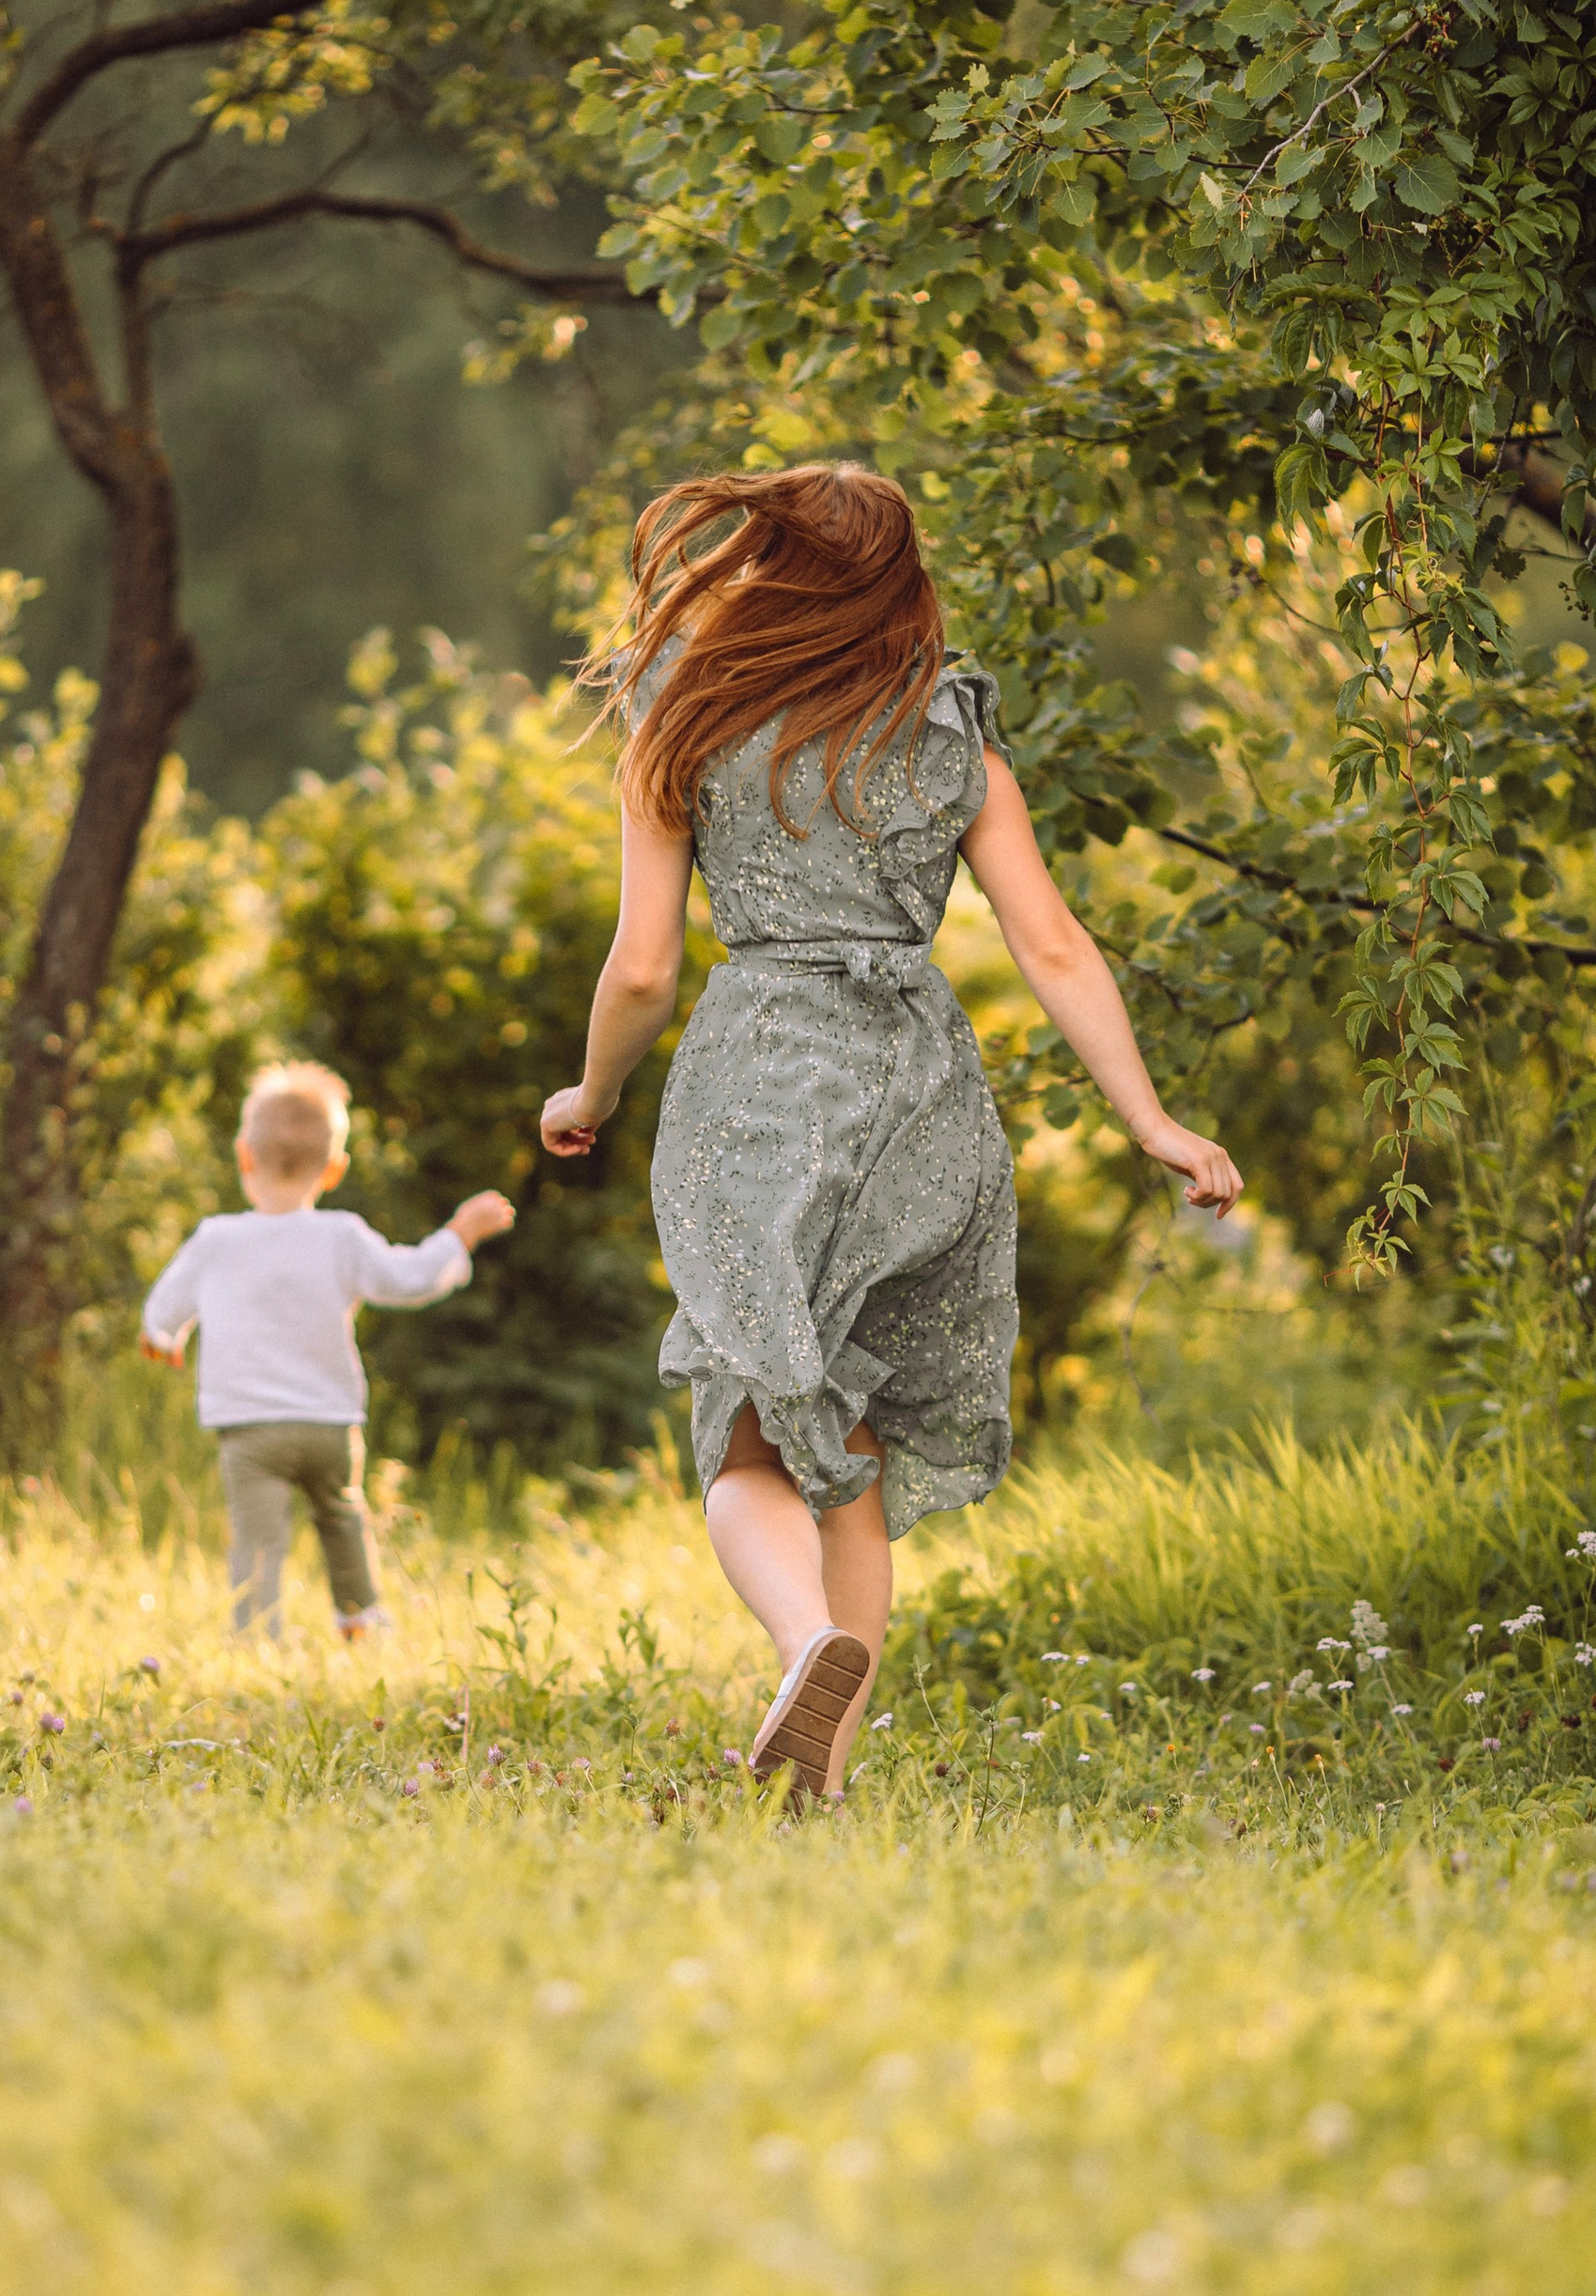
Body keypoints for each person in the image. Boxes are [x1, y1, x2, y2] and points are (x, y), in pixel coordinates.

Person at [539, 466, 1242, 1803]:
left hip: (762, 1085)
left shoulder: (689, 713)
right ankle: (820, 1787)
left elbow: (641, 970)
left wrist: (591, 1096)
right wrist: (1149, 1118)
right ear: (897, 579)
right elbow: (1051, 942)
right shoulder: (945, 730)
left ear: (767, 565)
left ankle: (803, 1642)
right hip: (920, 1090)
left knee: (744, 1426)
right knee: (848, 1443)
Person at [142, 1063, 517, 1639]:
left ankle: (256, 1635)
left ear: (244, 1156)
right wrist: (458, 1234)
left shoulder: (216, 1239)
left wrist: (163, 1337)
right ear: (335, 1168)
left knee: (258, 1539)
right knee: (342, 1517)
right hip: (328, 1423)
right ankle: (360, 1616)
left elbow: (164, 1304)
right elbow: (409, 1278)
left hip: (249, 1429)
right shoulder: (341, 1235)